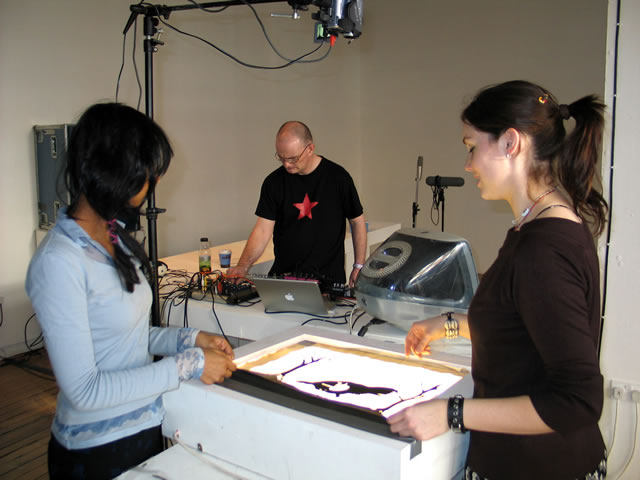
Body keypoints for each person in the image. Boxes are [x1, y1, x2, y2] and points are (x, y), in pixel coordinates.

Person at [387, 80, 608, 479]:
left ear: (510, 143)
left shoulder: (543, 249)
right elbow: (522, 328)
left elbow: (578, 400)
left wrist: (451, 412)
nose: (468, 164)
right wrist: (449, 325)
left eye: (472, 147)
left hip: (540, 466)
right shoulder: (537, 224)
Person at [25, 103, 237, 479]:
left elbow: (127, 337)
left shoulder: (115, 239)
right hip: (96, 451)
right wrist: (190, 364)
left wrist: (189, 339)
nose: (152, 184)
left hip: (145, 426)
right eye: (147, 174)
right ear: (114, 171)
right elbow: (85, 390)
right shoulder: (59, 261)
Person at [227, 120, 367, 287]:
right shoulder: (273, 182)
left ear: (310, 149)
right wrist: (243, 266)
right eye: (281, 158)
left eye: (293, 159)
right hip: (284, 278)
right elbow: (262, 230)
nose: (287, 164)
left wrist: (359, 265)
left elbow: (357, 222)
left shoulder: (338, 178)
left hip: (328, 280)